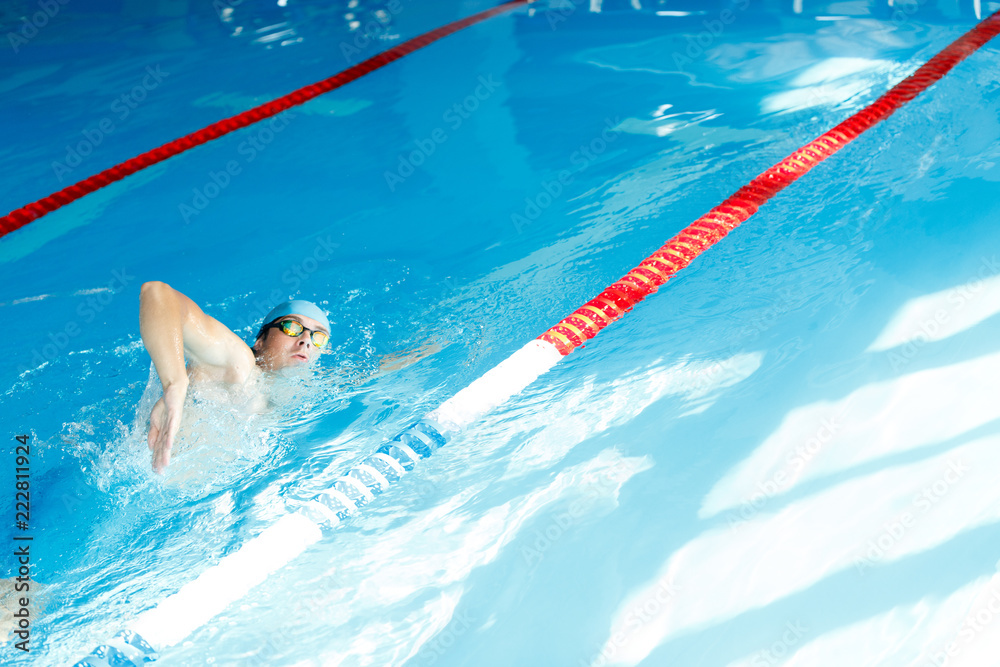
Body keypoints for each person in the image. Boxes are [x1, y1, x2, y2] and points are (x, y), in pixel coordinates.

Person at [139, 281, 332, 474]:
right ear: (260, 341)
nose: (307, 340)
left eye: (319, 338)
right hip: (152, 474)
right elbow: (157, 293)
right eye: (292, 326)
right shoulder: (238, 365)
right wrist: (174, 383)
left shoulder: (302, 392)